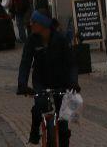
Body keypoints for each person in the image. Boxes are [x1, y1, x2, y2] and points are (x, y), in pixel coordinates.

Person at [17, 11, 78, 146]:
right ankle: (34, 132)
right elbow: (26, 62)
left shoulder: (60, 39)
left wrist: (73, 82)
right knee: (39, 105)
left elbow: (71, 63)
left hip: (61, 81)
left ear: (43, 24)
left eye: (34, 22)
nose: (30, 24)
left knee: (63, 124)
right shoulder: (32, 40)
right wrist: (22, 84)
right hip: (41, 80)